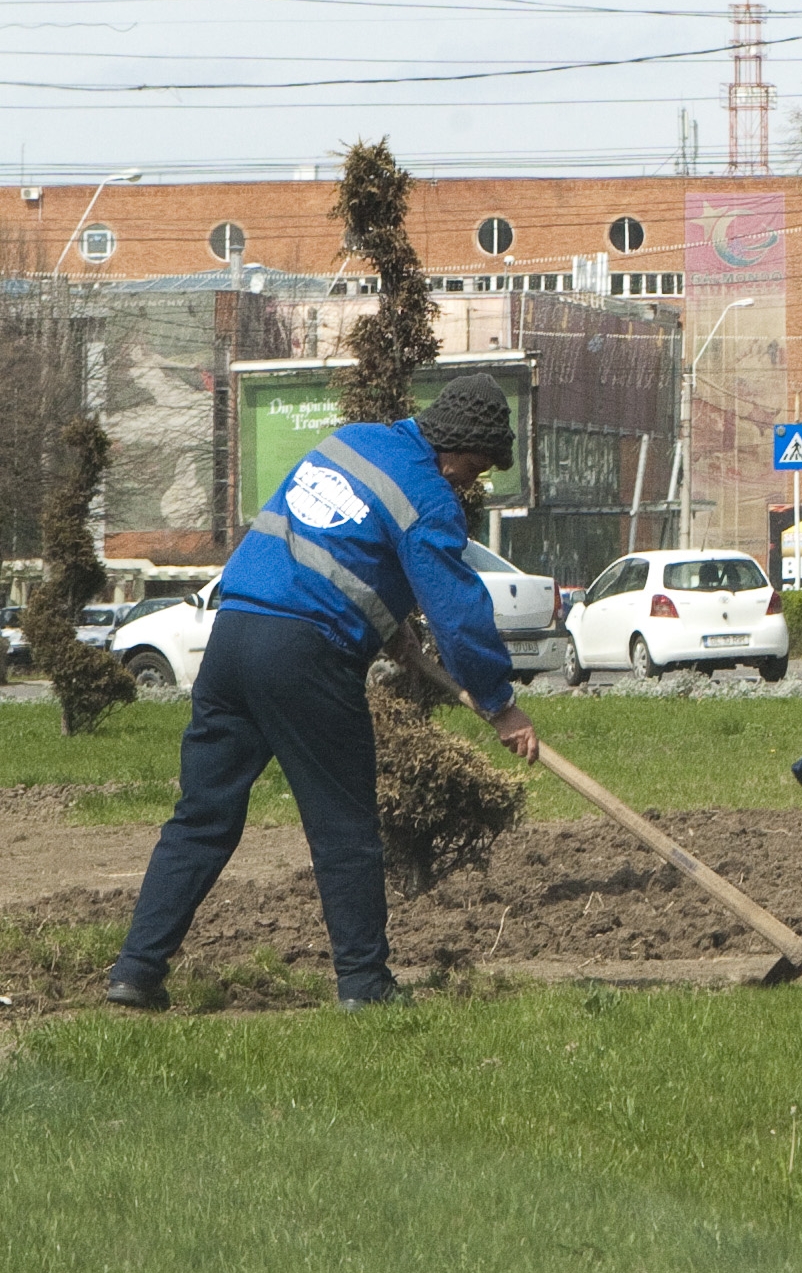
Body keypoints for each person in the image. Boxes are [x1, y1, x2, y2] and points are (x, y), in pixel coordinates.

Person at [104, 374, 542, 1012]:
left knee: (202, 817)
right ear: (455, 449)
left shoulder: (353, 442)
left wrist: (383, 623)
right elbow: (458, 612)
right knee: (344, 827)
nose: (470, 482)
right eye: (475, 467)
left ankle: (136, 973)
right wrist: (500, 705)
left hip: (232, 638)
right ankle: (365, 985)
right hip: (305, 656)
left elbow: (326, 545)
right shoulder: (427, 494)